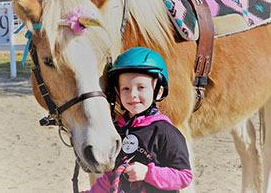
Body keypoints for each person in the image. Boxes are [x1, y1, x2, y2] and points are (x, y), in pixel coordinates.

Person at [81, 47, 193, 193]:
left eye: (141, 87)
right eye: (125, 89)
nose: (132, 94)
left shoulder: (166, 132)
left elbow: (184, 176)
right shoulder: (117, 130)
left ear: (158, 91)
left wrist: (148, 173)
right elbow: (109, 177)